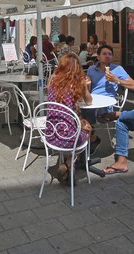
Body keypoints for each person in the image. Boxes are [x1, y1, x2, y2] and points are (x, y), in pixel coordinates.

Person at [45, 53, 93, 184]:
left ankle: (68, 163)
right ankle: (69, 163)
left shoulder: (52, 79)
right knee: (88, 127)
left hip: (50, 135)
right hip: (68, 138)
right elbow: (89, 102)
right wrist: (86, 86)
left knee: (76, 124)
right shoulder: (77, 83)